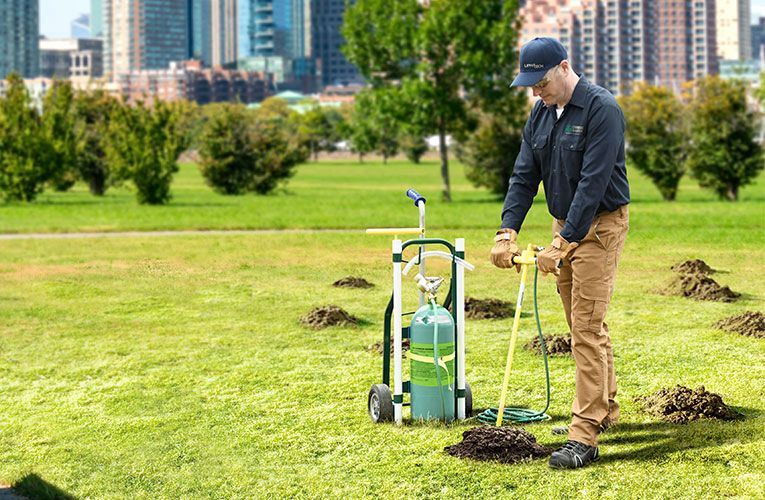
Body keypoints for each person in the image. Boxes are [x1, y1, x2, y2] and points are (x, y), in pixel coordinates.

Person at [490, 37, 630, 469]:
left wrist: (563, 242)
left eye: (542, 82)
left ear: (565, 68)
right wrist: (506, 230)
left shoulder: (601, 110)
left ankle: (584, 436)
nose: (536, 91)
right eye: (529, 84)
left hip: (597, 227)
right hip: (563, 229)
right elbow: (523, 175)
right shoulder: (540, 115)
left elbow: (592, 183)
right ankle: (604, 407)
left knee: (585, 330)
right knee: (583, 322)